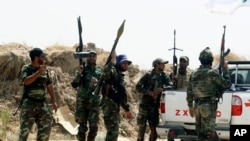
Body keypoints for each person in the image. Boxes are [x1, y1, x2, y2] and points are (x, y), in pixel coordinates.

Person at [186, 47, 231, 141]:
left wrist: (190, 106)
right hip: (208, 106)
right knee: (210, 134)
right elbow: (226, 84)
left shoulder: (194, 73)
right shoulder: (211, 73)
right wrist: (226, 70)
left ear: (200, 60)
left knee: (200, 134)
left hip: (197, 105)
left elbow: (189, 91)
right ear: (211, 60)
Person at [18, 48, 58, 141]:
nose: (44, 58)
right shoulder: (27, 68)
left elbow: (49, 84)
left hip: (42, 104)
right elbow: (26, 81)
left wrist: (54, 101)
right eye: (42, 57)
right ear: (36, 58)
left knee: (45, 131)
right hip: (29, 104)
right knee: (24, 133)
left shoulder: (45, 69)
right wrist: (39, 72)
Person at [136, 58, 175, 141]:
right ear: (157, 65)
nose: (164, 66)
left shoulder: (163, 75)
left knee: (154, 131)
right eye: (162, 64)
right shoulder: (148, 75)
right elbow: (138, 87)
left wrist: (162, 89)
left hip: (154, 107)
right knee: (141, 129)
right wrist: (148, 92)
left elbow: (171, 86)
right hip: (145, 106)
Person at [100, 52, 133, 141]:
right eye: (124, 63)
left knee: (114, 132)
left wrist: (126, 109)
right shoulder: (112, 72)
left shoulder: (120, 77)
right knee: (113, 132)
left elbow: (121, 95)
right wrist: (112, 62)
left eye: (127, 63)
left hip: (115, 106)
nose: (126, 65)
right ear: (118, 63)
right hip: (109, 105)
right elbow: (105, 73)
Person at [71, 50, 103, 141]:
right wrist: (79, 73)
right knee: (82, 128)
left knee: (93, 128)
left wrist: (98, 83)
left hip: (94, 102)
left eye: (94, 56)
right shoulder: (82, 68)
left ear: (96, 57)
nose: (92, 58)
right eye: (90, 56)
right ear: (87, 57)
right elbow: (74, 84)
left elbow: (103, 85)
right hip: (82, 102)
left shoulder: (100, 70)